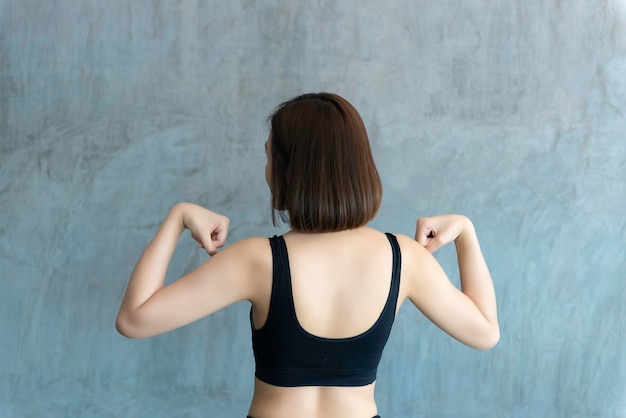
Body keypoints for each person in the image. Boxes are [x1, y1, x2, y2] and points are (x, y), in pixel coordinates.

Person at [116, 92, 499, 418]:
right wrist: (465, 233)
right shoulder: (405, 257)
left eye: (270, 157)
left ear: (291, 169)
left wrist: (178, 217)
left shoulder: (258, 260)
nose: (266, 170)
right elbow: (484, 333)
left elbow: (134, 320)